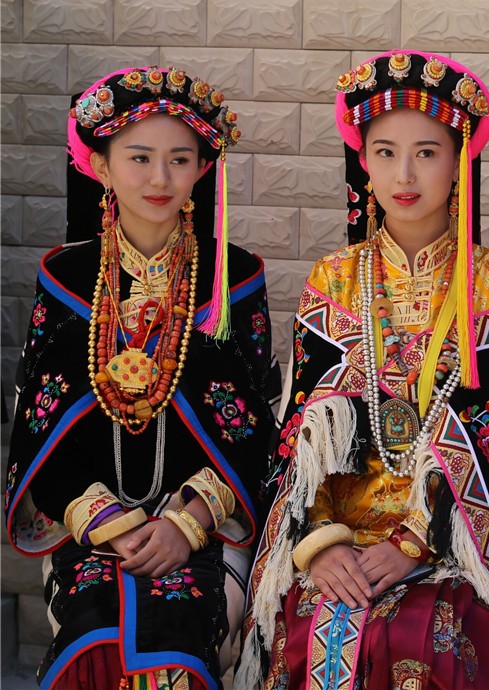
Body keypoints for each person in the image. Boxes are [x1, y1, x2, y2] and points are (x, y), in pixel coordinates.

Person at [236, 50, 489, 690]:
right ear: (364, 163)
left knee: (419, 634)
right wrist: (322, 543)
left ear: (459, 161)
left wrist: (411, 544)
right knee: (314, 626)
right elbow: (302, 435)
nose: (404, 174)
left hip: (451, 543)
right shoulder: (333, 279)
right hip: (339, 538)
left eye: (427, 152)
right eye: (384, 152)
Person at [4, 65, 282, 689]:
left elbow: (258, 426)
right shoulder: (66, 279)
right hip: (93, 528)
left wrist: (189, 521)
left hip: (207, 528)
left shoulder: (233, 280)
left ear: (202, 168)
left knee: (179, 636)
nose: (160, 179)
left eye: (179, 160)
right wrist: (105, 520)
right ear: (100, 166)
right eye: (139, 158)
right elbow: (39, 422)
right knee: (98, 630)